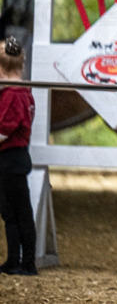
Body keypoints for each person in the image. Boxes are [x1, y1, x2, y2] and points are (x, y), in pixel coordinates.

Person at [0, 37, 36, 276]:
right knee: (10, 212)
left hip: (11, 158)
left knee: (19, 213)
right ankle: (15, 259)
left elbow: (4, 129)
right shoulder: (23, 92)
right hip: (12, 158)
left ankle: (27, 262)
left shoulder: (13, 94)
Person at [0, 0, 33, 79]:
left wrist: (8, 26)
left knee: (12, 59)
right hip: (24, 28)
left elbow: (18, 8)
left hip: (17, 29)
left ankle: (12, 86)